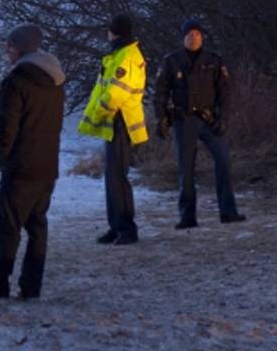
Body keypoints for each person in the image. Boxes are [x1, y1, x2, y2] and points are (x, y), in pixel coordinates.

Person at [0, 24, 65, 302]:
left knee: (7, 228)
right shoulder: (55, 79)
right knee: (37, 226)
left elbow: (7, 125)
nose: (6, 51)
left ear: (19, 48)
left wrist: (1, 158)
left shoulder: (16, 81)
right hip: (48, 163)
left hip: (21, 165)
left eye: (9, 46)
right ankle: (31, 286)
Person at [153, 19, 246, 228]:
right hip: (183, 119)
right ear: (183, 37)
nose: (193, 37)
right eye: (189, 34)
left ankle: (228, 212)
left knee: (223, 162)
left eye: (197, 34)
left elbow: (225, 93)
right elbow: (160, 93)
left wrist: (224, 118)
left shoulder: (214, 61)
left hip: (209, 119)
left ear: (202, 37)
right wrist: (161, 118)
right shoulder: (171, 61)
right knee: (185, 168)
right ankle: (188, 217)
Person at [77, 13, 148, 245]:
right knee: (112, 177)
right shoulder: (120, 54)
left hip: (120, 122)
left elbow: (116, 93)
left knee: (118, 177)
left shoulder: (125, 56)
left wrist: (99, 111)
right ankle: (116, 226)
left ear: (113, 32)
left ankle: (127, 229)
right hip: (115, 123)